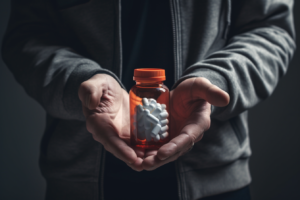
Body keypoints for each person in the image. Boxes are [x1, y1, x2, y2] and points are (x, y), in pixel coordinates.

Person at [2, 0, 295, 199]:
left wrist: (216, 80)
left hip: (215, 177)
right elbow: (27, 35)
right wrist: (79, 81)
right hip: (80, 181)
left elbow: (270, 28)